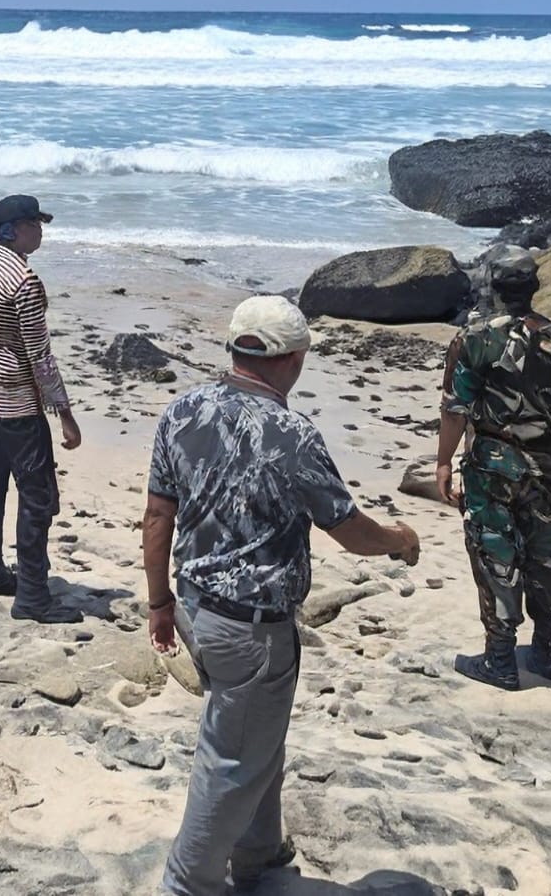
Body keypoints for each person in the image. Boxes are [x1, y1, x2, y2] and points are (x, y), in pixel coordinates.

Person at [143, 294, 421, 896]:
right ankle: (188, 884)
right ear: (292, 360)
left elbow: (158, 515)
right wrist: (399, 539)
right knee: (232, 761)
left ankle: (259, 860)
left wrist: (160, 602)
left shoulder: (183, 410)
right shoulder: (293, 434)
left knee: (255, 739)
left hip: (194, 607)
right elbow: (350, 531)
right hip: (252, 628)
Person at [436, 250, 551, 691]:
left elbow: (455, 410)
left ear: (494, 287)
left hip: (492, 471)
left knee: (495, 553)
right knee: (548, 555)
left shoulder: (474, 340)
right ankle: (546, 652)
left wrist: (444, 461)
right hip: (548, 470)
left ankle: (501, 659)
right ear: (534, 288)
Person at [0, 194, 84, 624]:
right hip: (15, 401)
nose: (42, 230)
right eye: (35, 223)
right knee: (37, 497)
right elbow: (41, 357)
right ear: (14, 229)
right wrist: (65, 414)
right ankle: (33, 595)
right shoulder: (25, 282)